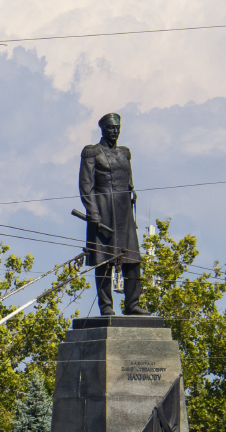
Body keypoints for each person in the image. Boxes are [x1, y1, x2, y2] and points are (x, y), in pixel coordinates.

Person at [79, 112, 150, 316]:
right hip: (103, 211)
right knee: (104, 261)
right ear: (103, 129)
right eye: (111, 128)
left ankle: (132, 304)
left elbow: (129, 183)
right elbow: (86, 186)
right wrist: (93, 212)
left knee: (133, 261)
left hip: (124, 213)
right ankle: (106, 307)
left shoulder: (124, 153)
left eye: (117, 127)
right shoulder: (92, 152)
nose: (115, 131)